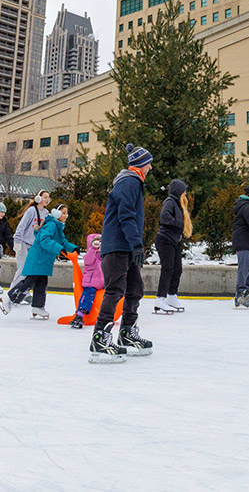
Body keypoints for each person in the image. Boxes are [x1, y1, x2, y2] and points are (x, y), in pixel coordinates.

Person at [89, 144, 155, 363]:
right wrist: (137, 244)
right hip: (118, 246)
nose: (151, 167)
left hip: (125, 246)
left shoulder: (133, 182)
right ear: (140, 164)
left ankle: (127, 333)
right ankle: (100, 338)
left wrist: (135, 246)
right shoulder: (129, 182)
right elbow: (126, 216)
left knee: (135, 289)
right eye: (149, 163)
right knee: (115, 290)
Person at [0, 204, 76, 319]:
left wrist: (73, 248)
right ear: (56, 213)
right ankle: (9, 298)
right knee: (29, 282)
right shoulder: (51, 225)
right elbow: (44, 240)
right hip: (38, 258)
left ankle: (38, 306)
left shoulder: (58, 227)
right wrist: (59, 249)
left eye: (66, 213)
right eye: (63, 213)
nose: (66, 215)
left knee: (41, 283)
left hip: (44, 260)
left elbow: (63, 241)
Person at [7, 190, 51, 305]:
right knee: (22, 269)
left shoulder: (46, 213)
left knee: (31, 271)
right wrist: (17, 242)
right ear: (38, 198)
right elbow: (21, 226)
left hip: (34, 247)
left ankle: (23, 292)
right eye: (45, 197)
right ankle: (12, 293)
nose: (47, 200)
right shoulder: (31, 211)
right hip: (23, 243)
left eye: (48, 198)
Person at [153, 179, 190, 314]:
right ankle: (160, 298)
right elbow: (165, 218)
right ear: (178, 191)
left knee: (177, 269)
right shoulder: (169, 202)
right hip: (164, 240)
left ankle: (172, 296)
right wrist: (180, 224)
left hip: (174, 241)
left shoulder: (179, 204)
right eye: (184, 190)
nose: (185, 193)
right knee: (168, 268)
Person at [70, 234, 103, 328]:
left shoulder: (103, 256)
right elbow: (88, 261)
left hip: (102, 284)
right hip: (91, 283)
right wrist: (93, 249)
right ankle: (80, 314)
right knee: (88, 295)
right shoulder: (90, 254)